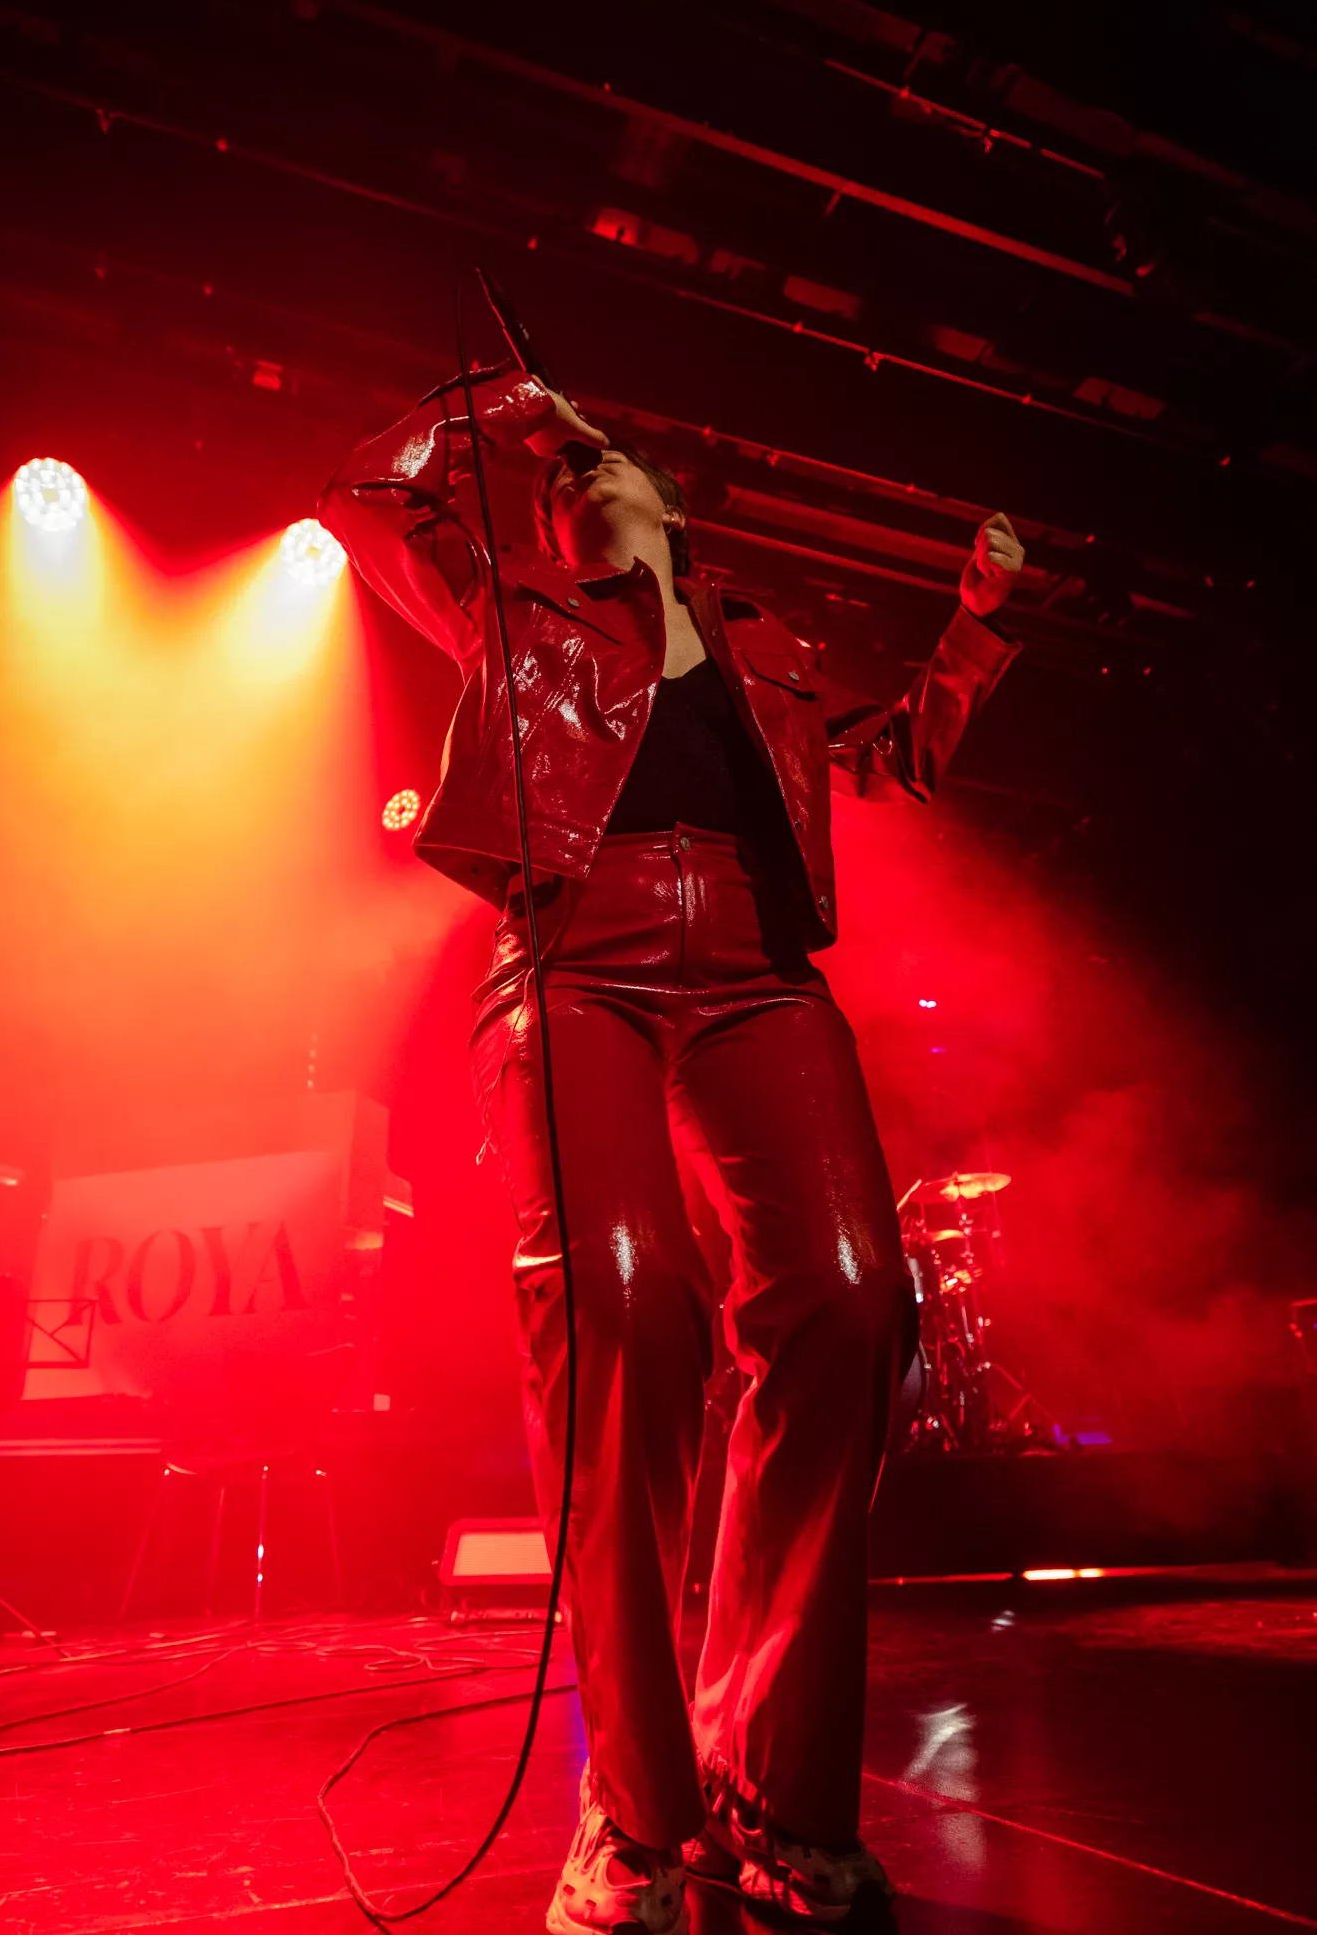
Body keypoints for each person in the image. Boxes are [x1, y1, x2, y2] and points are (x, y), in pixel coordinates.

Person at [319, 367, 1022, 1934]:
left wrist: (973, 627)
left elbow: (891, 757)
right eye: (557, 476)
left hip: (761, 976)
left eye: (603, 459)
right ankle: (634, 1818)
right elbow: (362, 494)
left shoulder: (764, 642)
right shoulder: (509, 606)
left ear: (672, 502)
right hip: (578, 963)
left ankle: (776, 1795)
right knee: (626, 1306)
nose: (574, 478)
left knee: (851, 1305)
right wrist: (508, 400)